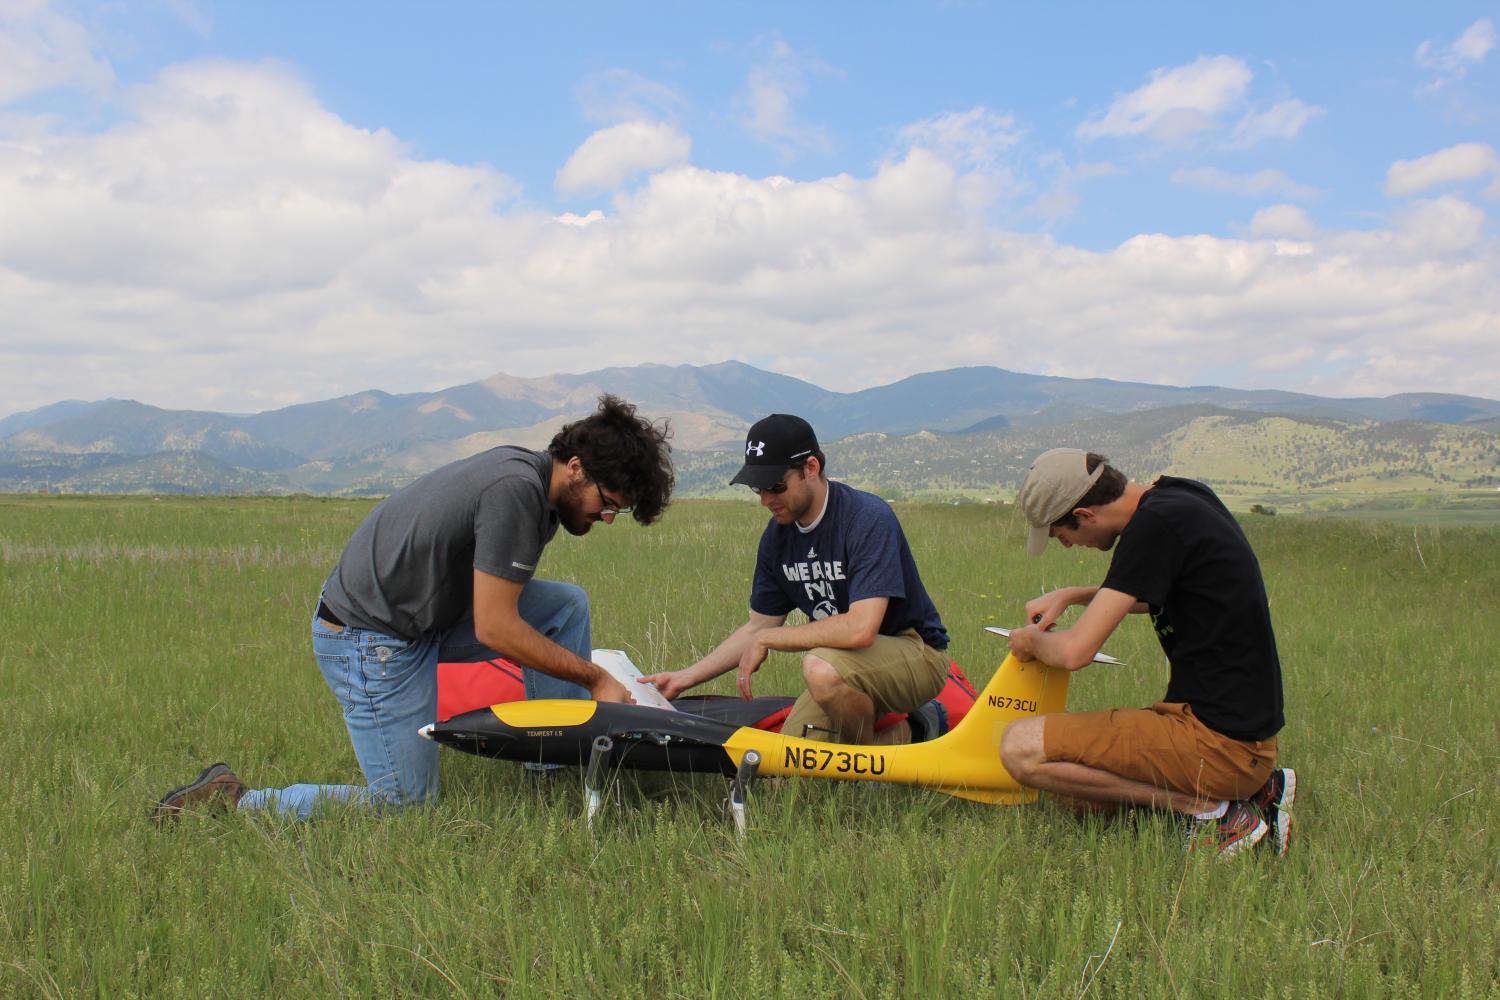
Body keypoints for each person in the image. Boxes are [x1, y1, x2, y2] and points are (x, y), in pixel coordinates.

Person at [155, 394, 674, 821]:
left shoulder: (535, 485)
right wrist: (595, 678)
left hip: (427, 620)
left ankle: (550, 764)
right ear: (576, 468)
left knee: (565, 607)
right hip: (370, 640)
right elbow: (496, 627)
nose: (608, 517)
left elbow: (496, 603)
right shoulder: (515, 491)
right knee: (405, 808)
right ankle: (237, 801)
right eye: (608, 502)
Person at [998, 448, 1294, 859]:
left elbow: (1075, 652)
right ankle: (1260, 793)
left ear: (1084, 514)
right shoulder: (1178, 499)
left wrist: (1028, 641)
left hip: (1219, 746)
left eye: (1061, 536)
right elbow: (1151, 587)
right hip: (1245, 739)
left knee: (1020, 749)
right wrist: (1073, 595)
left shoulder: (1153, 527)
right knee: (1080, 796)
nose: (1067, 546)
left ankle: (1211, 811)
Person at [644, 414, 949, 746]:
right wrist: (684, 678)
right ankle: (915, 731)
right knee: (786, 761)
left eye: (776, 486)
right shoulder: (777, 538)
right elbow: (757, 628)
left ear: (811, 468)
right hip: (845, 663)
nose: (765, 499)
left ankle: (866, 762)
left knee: (820, 669)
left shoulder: (866, 517)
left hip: (915, 653)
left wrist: (770, 639)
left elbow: (860, 629)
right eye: (758, 488)